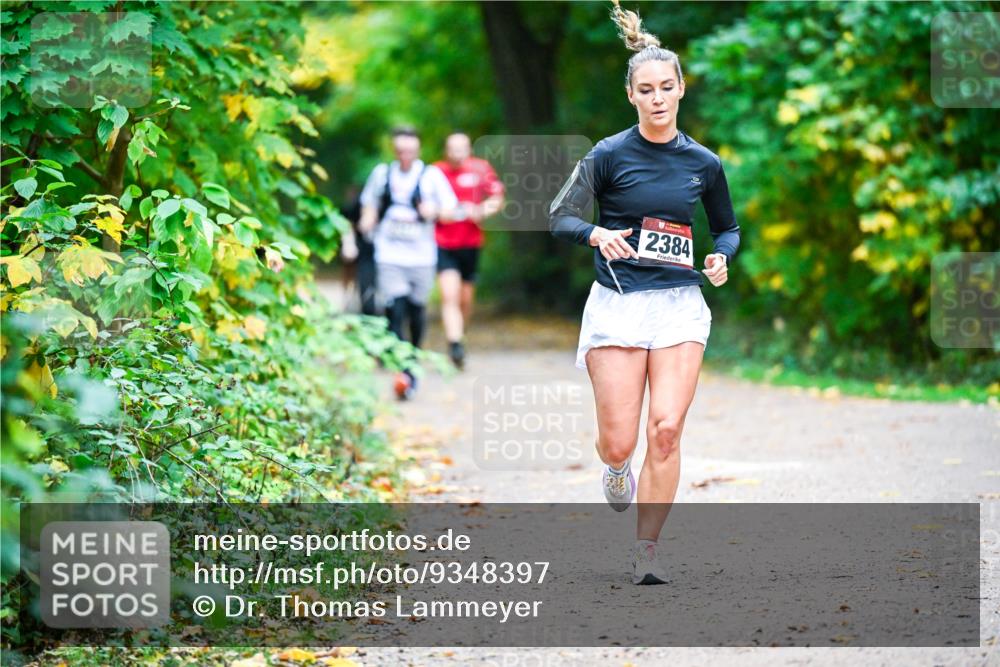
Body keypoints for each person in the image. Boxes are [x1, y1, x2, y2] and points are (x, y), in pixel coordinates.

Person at [549, 0, 740, 585]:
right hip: (617, 304)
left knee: (666, 429)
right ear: (632, 96)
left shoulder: (703, 163)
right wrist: (596, 232)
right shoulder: (609, 154)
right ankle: (614, 470)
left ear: (681, 90)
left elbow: (727, 227)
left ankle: (647, 552)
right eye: (646, 89)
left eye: (667, 87)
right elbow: (560, 214)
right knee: (618, 442)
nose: (658, 98)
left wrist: (720, 257)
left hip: (679, 307)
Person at [358, 127, 458, 399]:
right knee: (395, 307)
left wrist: (433, 211)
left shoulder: (431, 176)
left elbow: (450, 210)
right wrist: (367, 221)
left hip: (422, 256)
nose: (405, 156)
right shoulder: (382, 174)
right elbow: (368, 205)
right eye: (400, 151)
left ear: (418, 151)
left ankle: (412, 359)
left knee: (416, 311)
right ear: (394, 150)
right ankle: (402, 368)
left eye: (410, 151)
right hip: (389, 254)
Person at [433, 132, 505, 369]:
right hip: (443, 243)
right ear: (446, 150)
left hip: (471, 243)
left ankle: (459, 336)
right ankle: (454, 343)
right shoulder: (436, 172)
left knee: (465, 299)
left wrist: (482, 210)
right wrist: (436, 212)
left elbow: (497, 197)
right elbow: (422, 202)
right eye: (452, 149)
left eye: (461, 148)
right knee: (449, 296)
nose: (457, 153)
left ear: (469, 149)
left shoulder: (480, 169)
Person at [338, 184, 378, 316]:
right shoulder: (357, 205)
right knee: (351, 270)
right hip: (363, 247)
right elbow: (347, 222)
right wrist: (348, 243)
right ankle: (347, 300)